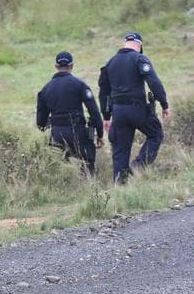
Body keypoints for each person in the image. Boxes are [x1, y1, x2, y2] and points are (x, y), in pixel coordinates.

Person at [98, 32, 169, 183]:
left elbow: (103, 93)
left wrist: (106, 116)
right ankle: (138, 166)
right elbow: (154, 82)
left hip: (118, 111)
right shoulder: (139, 58)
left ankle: (120, 186)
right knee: (156, 134)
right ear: (139, 45)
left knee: (120, 150)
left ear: (125, 44)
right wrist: (164, 104)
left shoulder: (110, 63)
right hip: (137, 108)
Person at [35, 51, 104, 176]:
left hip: (56, 134)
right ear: (72, 66)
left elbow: (40, 122)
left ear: (56, 67)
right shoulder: (80, 85)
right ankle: (89, 191)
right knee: (87, 166)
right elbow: (94, 111)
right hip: (78, 132)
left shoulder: (45, 89)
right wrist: (99, 134)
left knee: (60, 169)